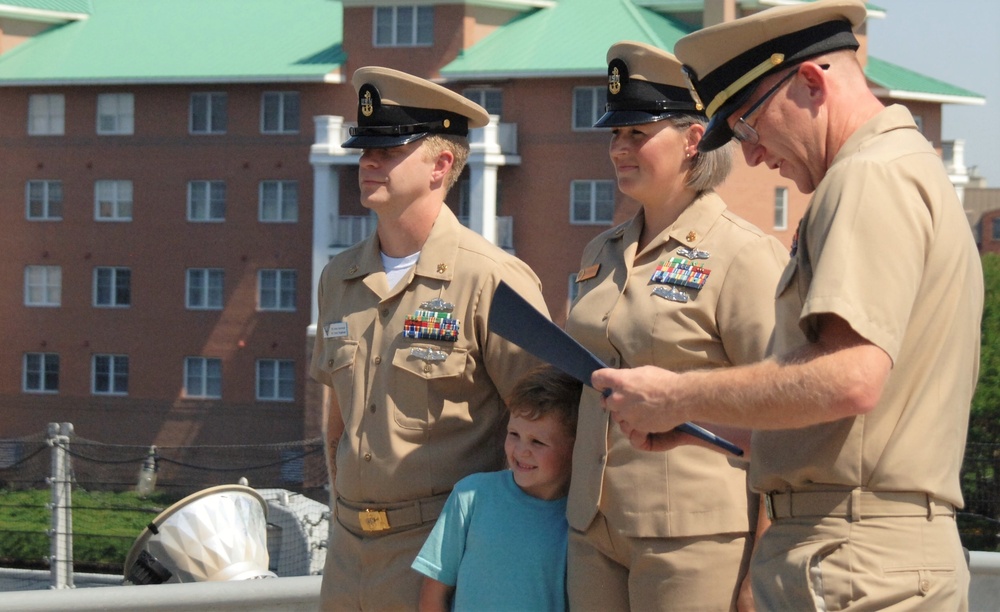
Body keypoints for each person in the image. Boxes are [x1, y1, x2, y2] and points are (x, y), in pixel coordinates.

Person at [597, 1, 983, 609]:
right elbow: (846, 429)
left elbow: (851, 380)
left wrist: (676, 395)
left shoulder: (865, 176)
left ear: (809, 81)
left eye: (748, 124)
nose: (749, 156)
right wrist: (703, 428)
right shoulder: (905, 165)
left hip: (851, 558)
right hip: (868, 548)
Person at [309, 66, 550, 611]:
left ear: (442, 164)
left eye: (389, 150)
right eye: (365, 148)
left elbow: (549, 424)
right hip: (348, 551)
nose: (368, 161)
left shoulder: (492, 278)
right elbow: (337, 421)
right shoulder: (339, 276)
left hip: (445, 552)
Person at [564, 41, 788, 611]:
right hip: (593, 525)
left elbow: (781, 416)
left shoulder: (744, 255)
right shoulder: (601, 249)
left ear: (694, 139)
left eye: (638, 134)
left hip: (694, 536)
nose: (619, 148)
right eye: (616, 135)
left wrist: (759, 568)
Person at [412, 365, 581, 611]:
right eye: (514, 434)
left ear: (575, 447)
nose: (521, 450)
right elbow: (433, 593)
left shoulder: (578, 520)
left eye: (538, 442)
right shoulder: (471, 496)